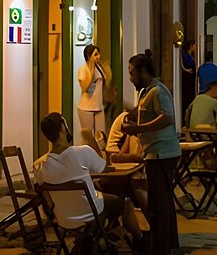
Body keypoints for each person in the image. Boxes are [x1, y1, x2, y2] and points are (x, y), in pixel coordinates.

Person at [33, 113, 143, 246]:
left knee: (103, 196)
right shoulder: (82, 152)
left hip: (63, 218)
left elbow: (41, 191)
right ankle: (139, 241)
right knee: (124, 202)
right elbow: (104, 169)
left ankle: (95, 235)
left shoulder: (42, 166)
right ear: (63, 127)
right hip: (92, 211)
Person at [121, 50, 181, 255]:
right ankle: (168, 245)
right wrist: (119, 106)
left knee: (158, 207)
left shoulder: (158, 91)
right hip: (155, 153)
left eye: (132, 73)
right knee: (162, 204)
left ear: (143, 71)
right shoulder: (146, 92)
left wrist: (137, 130)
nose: (130, 78)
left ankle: (159, 249)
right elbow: (140, 111)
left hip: (162, 154)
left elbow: (167, 117)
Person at [76, 44, 114, 135]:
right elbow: (84, 87)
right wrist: (91, 70)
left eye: (98, 54)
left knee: (101, 136)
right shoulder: (83, 69)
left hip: (98, 106)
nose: (98, 57)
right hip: (86, 107)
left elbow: (106, 82)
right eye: (96, 54)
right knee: (88, 137)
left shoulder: (99, 67)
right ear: (89, 56)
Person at [187, 62, 217, 127]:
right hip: (210, 135)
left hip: (193, 135)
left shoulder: (197, 99)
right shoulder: (215, 103)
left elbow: (187, 115)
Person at [180, 39, 197, 115]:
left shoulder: (190, 55)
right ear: (191, 46)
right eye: (194, 45)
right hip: (187, 81)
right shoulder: (184, 55)